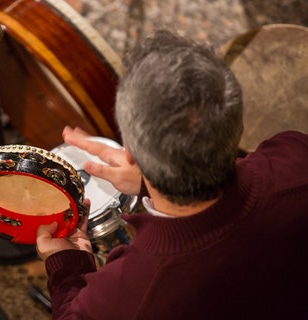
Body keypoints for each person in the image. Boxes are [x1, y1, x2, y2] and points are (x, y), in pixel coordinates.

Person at [36, 29, 308, 319]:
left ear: (130, 153)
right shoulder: (296, 157)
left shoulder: (130, 292)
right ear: (239, 129)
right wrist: (147, 181)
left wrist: (66, 266)